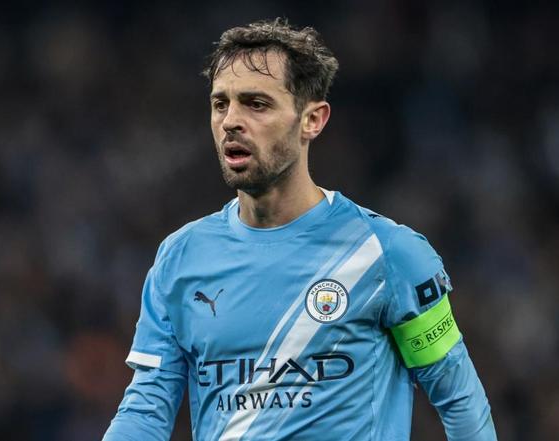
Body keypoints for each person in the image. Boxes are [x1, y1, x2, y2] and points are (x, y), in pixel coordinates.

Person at [103, 18, 497, 441]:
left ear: (312, 119)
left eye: (256, 104)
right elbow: (145, 412)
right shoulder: (181, 258)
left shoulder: (387, 253)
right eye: (221, 104)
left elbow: (460, 402)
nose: (231, 121)